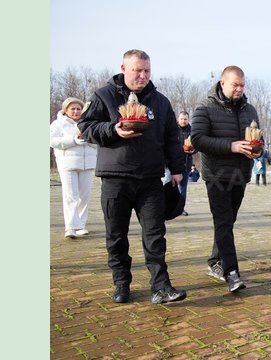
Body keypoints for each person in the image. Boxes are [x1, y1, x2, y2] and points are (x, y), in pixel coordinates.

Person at [77, 49, 187, 304]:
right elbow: (85, 127)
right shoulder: (104, 96)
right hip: (116, 178)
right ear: (124, 68)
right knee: (116, 235)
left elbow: (172, 137)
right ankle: (121, 283)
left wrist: (178, 169)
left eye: (147, 70)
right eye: (137, 70)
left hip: (150, 179)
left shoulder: (160, 102)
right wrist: (113, 129)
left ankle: (161, 286)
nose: (143, 75)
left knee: (155, 234)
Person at [191, 65, 261, 292]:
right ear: (223, 83)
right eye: (235, 85)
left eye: (242, 85)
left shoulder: (250, 110)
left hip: (240, 174)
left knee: (227, 222)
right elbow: (198, 139)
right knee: (223, 222)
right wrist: (231, 146)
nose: (239, 89)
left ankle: (215, 262)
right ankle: (232, 273)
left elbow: (258, 138)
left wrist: (257, 150)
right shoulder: (206, 107)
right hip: (217, 175)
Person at [50, 97, 97, 239]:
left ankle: (81, 225)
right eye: (73, 109)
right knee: (71, 196)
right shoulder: (59, 124)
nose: (76, 111)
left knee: (84, 196)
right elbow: (52, 141)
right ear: (66, 110)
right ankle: (70, 227)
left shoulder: (87, 123)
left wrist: (88, 140)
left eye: (78, 109)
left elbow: (98, 142)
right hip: (68, 165)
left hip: (87, 165)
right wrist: (73, 140)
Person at [177, 111, 196, 216]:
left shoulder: (193, 131)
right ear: (178, 119)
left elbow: (197, 145)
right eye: (181, 119)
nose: (183, 121)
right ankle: (168, 208)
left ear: (188, 120)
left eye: (185, 119)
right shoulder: (172, 129)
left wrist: (192, 150)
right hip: (172, 163)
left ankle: (180, 209)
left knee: (183, 188)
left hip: (186, 163)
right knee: (169, 187)